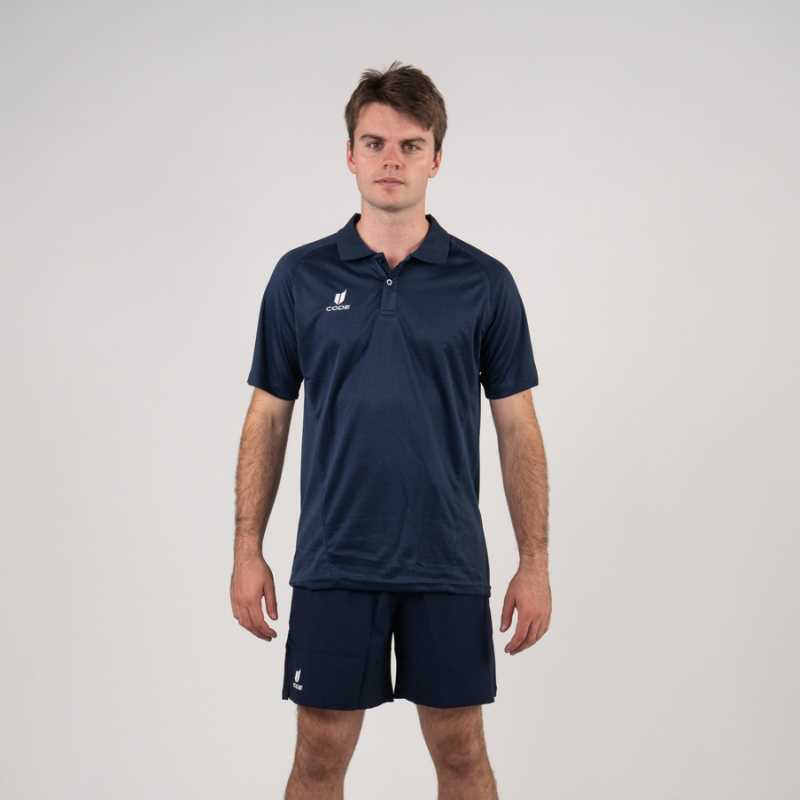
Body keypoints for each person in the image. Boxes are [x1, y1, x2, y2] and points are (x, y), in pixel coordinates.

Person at [230, 60, 551, 800]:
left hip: (446, 561)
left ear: (436, 158)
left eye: (411, 145)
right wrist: (247, 550)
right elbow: (267, 418)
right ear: (350, 155)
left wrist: (534, 562)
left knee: (462, 751)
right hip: (336, 559)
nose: (391, 160)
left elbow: (518, 430)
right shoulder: (300, 277)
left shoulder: (484, 283)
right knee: (319, 754)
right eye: (375, 143)